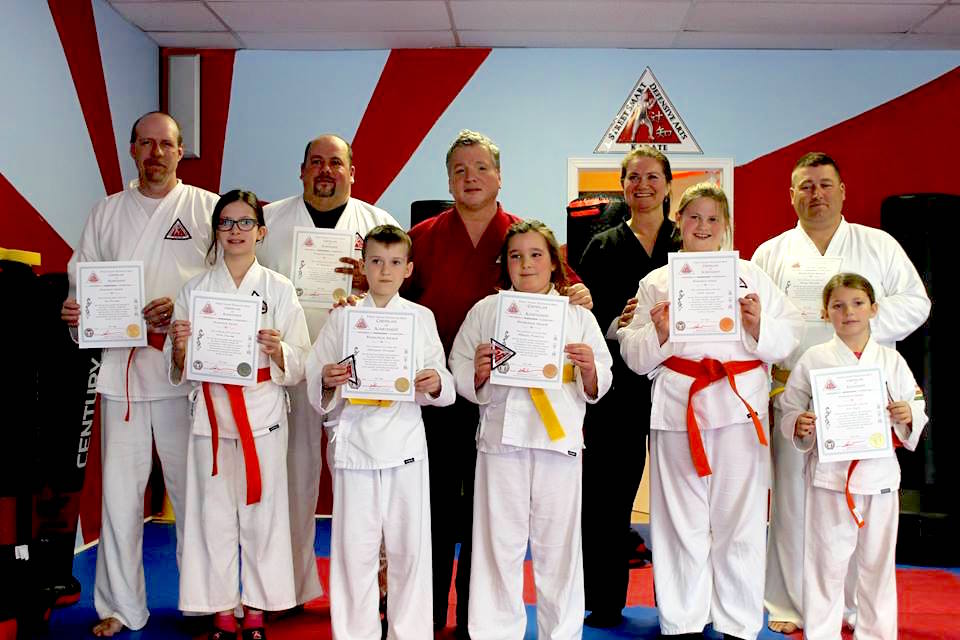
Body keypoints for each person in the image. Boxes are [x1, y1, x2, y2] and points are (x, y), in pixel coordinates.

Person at [404, 130, 592, 635]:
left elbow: (567, 292)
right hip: (438, 391)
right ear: (448, 180)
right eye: (460, 170)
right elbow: (392, 295)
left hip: (510, 400)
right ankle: (424, 613)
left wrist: (582, 297)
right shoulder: (421, 236)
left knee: (488, 520)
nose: (471, 177)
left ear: (499, 176)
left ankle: (476, 618)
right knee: (434, 508)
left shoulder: (520, 237)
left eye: (481, 167)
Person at [751, 152, 930, 635]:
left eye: (825, 184)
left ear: (843, 191)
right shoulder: (770, 253)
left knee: (859, 502)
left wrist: (856, 329)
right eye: (806, 186)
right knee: (793, 502)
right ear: (792, 194)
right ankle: (791, 602)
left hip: (861, 395)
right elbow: (755, 321)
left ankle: (854, 608)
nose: (817, 194)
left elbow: (917, 302)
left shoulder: (878, 244)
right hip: (796, 389)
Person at [618, 183, 803, 640]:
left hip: (739, 410)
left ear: (726, 226)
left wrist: (759, 325)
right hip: (678, 409)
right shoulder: (657, 282)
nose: (703, 226)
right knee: (679, 521)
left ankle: (738, 622)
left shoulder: (751, 276)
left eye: (713, 218)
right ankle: (683, 620)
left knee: (740, 520)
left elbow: (789, 337)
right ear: (679, 221)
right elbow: (634, 356)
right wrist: (658, 332)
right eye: (694, 217)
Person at [61, 111, 218, 637]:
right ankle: (120, 606)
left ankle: (202, 599)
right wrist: (77, 310)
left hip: (182, 373)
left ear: (181, 151)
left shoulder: (205, 208)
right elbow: (82, 278)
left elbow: (228, 281)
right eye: (146, 144)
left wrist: (180, 307)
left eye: (165, 144)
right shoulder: (106, 212)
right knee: (119, 496)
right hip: (122, 373)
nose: (156, 153)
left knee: (193, 491)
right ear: (132, 150)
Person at [449, 220, 612, 640]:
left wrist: (590, 369)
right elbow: (458, 365)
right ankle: (494, 632)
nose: (526, 264)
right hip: (501, 441)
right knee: (497, 545)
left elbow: (603, 375)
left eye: (536, 254)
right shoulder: (487, 311)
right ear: (505, 263)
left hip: (558, 442)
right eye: (516, 256)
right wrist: (477, 373)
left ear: (554, 262)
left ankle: (561, 633)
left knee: (558, 546)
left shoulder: (577, 315)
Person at [257, 134, 400, 607]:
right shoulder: (270, 220)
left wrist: (371, 282)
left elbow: (400, 287)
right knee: (292, 480)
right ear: (301, 171)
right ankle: (289, 590)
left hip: (356, 371)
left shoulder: (378, 222)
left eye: (335, 163)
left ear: (352, 172)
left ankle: (372, 590)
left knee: (361, 482)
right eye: (316, 162)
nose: (325, 171)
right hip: (289, 369)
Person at [167, 189, 310, 640]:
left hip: (263, 413)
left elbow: (301, 360)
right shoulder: (195, 289)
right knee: (212, 518)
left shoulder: (279, 288)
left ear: (261, 232)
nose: (235, 231)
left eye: (245, 222)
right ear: (216, 231)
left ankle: (258, 610)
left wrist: (279, 350)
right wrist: (180, 348)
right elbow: (180, 368)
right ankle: (221, 611)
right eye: (226, 223)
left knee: (263, 516)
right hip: (211, 415)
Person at [306, 225, 454, 639]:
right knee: (355, 551)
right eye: (375, 261)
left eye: (394, 262)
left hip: (405, 445)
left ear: (408, 269)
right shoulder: (344, 317)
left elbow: (442, 378)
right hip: (355, 445)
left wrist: (435, 383)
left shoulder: (421, 318)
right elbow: (315, 375)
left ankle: (410, 633)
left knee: (409, 549)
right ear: (363, 265)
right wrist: (327, 379)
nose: (385, 271)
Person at [779, 273, 927, 640]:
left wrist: (908, 413)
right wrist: (799, 423)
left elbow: (916, 404)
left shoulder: (891, 360)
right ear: (825, 313)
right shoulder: (814, 359)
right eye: (838, 305)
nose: (849, 312)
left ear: (874, 309)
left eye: (858, 303)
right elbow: (789, 407)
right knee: (825, 562)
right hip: (830, 477)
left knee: (877, 563)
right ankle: (821, 633)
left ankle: (876, 633)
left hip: (880, 477)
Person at [576, 146, 678, 627]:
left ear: (668, 184)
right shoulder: (602, 246)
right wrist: (621, 322)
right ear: (622, 186)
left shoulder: (687, 241)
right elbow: (587, 318)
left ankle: (682, 604)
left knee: (682, 500)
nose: (643, 185)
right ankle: (604, 599)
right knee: (607, 496)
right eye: (633, 177)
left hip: (679, 383)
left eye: (652, 176)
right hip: (619, 387)